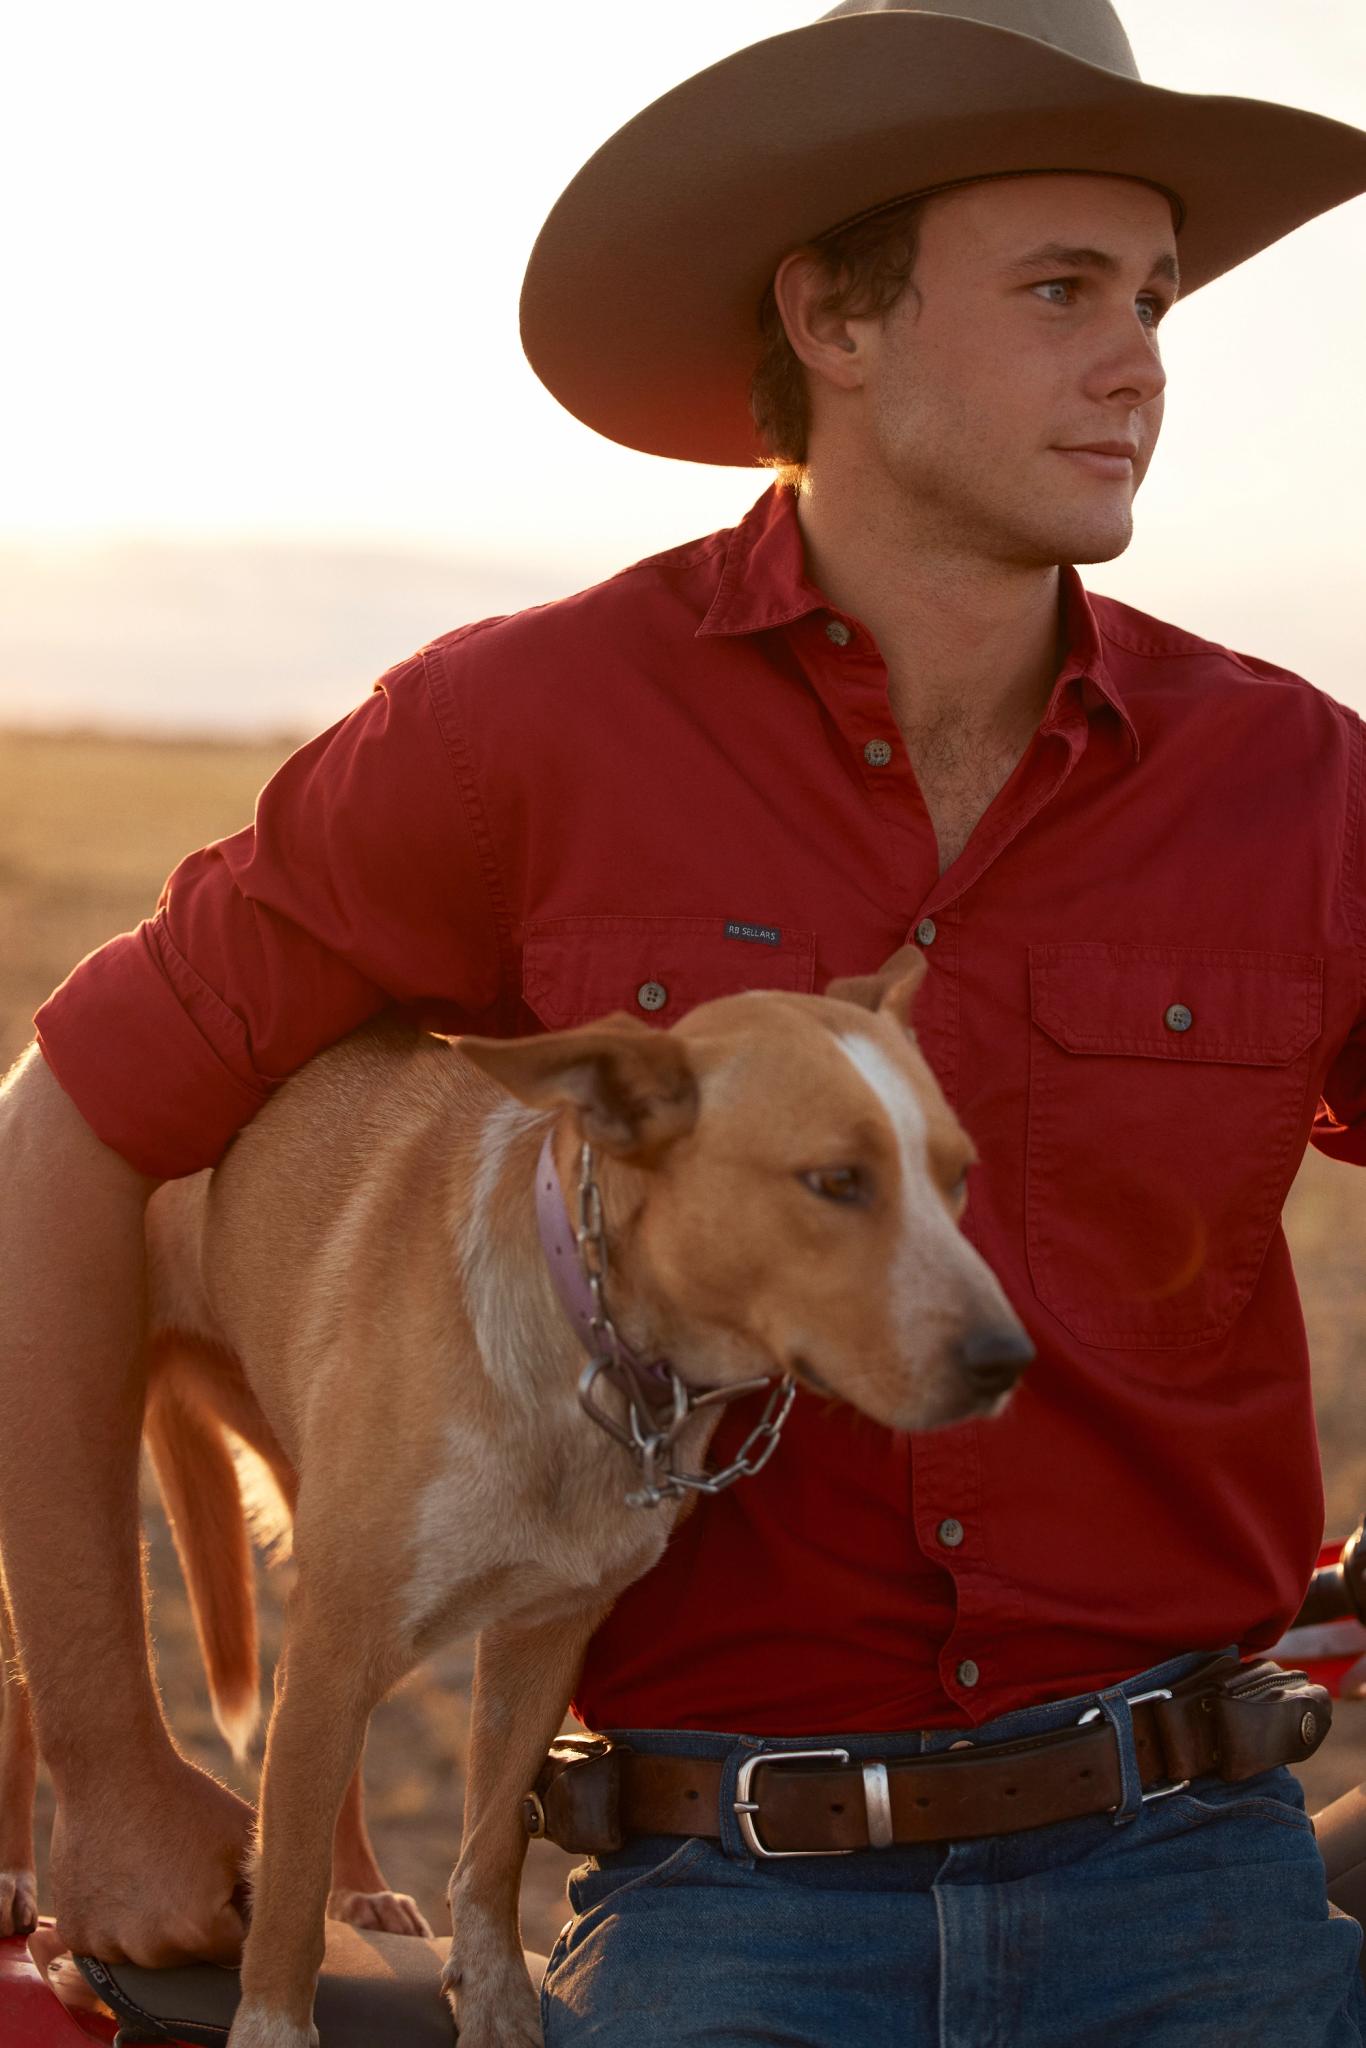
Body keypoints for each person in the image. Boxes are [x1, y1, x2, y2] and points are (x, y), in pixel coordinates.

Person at [2, 0, 1366, 2038]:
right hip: (725, 1906)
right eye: (1060, 289)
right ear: (833, 313)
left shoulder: (1301, 788)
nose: (1139, 365)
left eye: (1154, 299)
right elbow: (68, 1125)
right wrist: (109, 1759)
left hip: (1199, 1882)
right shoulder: (514, 733)